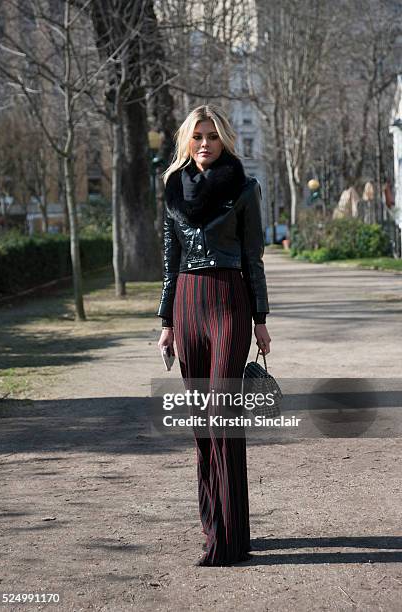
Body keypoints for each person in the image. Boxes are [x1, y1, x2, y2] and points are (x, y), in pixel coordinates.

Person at [157, 104, 271, 566]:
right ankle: (218, 528)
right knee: (203, 423)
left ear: (225, 140)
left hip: (229, 301)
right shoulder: (170, 189)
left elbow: (253, 258)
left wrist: (260, 319)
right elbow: (169, 263)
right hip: (188, 303)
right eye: (197, 136)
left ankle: (229, 538)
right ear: (187, 140)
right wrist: (166, 324)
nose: (205, 144)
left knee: (223, 414)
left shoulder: (244, 189)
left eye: (213, 136)